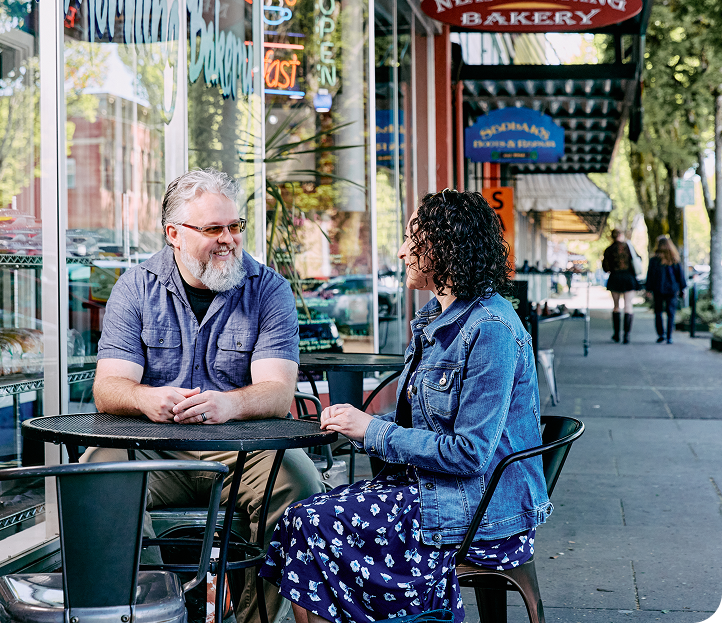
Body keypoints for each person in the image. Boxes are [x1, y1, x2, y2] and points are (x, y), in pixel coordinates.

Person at [259, 190, 550, 623]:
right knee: (301, 519)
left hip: (478, 510)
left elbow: (469, 453)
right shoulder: (440, 318)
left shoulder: (491, 328)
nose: (400, 251)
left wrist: (372, 431)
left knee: (312, 523)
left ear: (444, 246)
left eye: (411, 238)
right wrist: (361, 424)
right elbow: (427, 421)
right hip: (434, 490)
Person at [81, 169, 323, 623]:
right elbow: (107, 388)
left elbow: (276, 392)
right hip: (151, 448)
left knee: (300, 483)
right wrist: (145, 398)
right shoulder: (135, 287)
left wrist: (228, 404)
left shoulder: (268, 289)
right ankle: (155, 610)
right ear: (174, 233)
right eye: (214, 229)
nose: (229, 239)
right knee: (96, 476)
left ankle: (257, 620)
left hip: (242, 449)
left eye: (235, 226)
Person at [645, 235, 686, 344]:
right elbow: (680, 276)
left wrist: (648, 289)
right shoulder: (674, 259)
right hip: (672, 289)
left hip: (658, 289)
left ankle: (661, 334)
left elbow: (650, 275)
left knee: (658, 312)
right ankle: (669, 336)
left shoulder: (654, 260)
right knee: (670, 313)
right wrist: (682, 289)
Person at [601, 229, 639, 344]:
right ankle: (626, 335)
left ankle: (616, 334)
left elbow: (605, 268)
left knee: (616, 306)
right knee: (628, 305)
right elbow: (637, 260)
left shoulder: (609, 250)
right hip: (629, 279)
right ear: (621, 235)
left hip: (615, 278)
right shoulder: (629, 248)